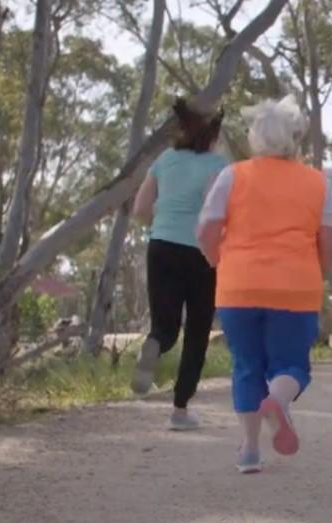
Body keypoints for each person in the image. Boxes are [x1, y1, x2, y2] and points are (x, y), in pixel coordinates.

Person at [195, 96, 332, 475]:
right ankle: (278, 399)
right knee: (291, 364)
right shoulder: (317, 182)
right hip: (296, 288)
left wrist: (216, 260)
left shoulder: (233, 175)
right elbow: (330, 238)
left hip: (238, 287)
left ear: (255, 137)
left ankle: (249, 450)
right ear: (294, 139)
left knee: (246, 366)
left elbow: (207, 228)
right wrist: (315, 272)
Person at [130, 98, 229, 431]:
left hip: (161, 246)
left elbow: (141, 209)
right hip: (200, 253)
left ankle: (154, 344)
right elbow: (215, 214)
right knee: (197, 333)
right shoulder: (217, 166)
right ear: (213, 137)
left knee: (166, 326)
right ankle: (180, 410)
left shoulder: (165, 160)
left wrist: (165, 223)